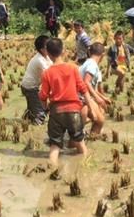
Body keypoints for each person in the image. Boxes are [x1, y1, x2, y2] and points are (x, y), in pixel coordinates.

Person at [39, 38, 92, 166]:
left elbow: (43, 96)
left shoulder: (47, 73)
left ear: (48, 54)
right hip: (73, 111)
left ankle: (52, 169)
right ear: (63, 51)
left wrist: (46, 109)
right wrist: (89, 106)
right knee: (80, 142)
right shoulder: (73, 68)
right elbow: (83, 88)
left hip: (56, 112)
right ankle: (86, 168)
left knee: (55, 145)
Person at [79, 42, 112, 135]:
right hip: (82, 98)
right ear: (103, 55)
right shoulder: (92, 64)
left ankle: (89, 136)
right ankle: (92, 136)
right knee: (99, 120)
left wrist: (103, 98)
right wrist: (97, 98)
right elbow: (86, 82)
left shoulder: (87, 63)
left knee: (99, 118)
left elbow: (93, 87)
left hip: (83, 96)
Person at [21, 35, 52, 124]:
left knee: (36, 106)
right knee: (40, 115)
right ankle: (35, 121)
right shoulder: (40, 60)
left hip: (32, 87)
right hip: (30, 88)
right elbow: (49, 74)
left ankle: (29, 116)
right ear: (42, 49)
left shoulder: (47, 57)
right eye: (48, 46)